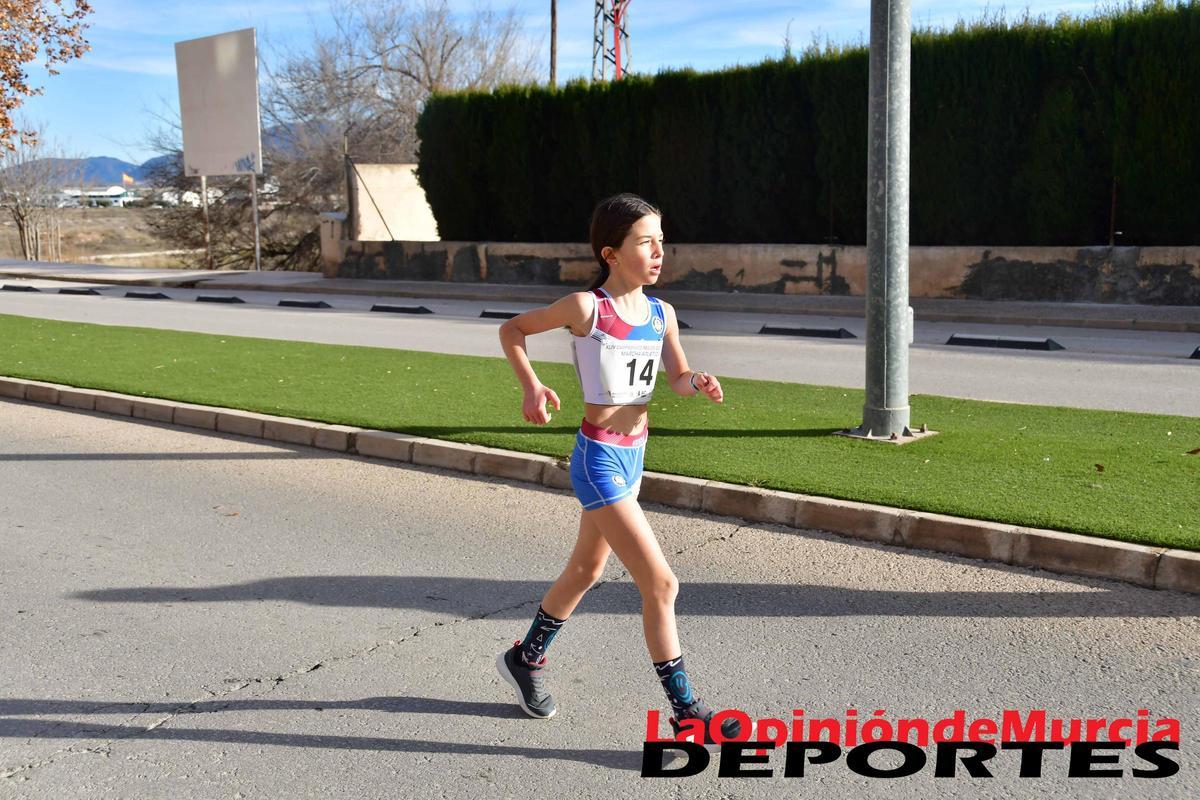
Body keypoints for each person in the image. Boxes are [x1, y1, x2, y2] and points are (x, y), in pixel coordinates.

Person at [496, 192, 739, 745]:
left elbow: (675, 378)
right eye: (645, 243)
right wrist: (532, 386)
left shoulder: (660, 313)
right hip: (599, 458)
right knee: (661, 583)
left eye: (661, 242)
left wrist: (696, 381)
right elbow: (512, 330)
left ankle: (525, 659)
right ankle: (687, 712)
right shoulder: (587, 308)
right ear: (611, 252)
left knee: (586, 570)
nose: (659, 253)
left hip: (635, 454)